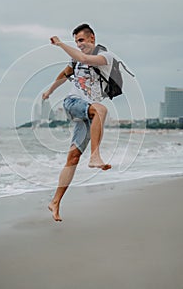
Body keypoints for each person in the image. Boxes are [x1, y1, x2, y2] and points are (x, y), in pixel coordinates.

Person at [42, 23, 112, 221]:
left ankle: (55, 202)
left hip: (89, 112)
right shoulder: (75, 62)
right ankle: (95, 156)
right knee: (101, 110)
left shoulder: (105, 57)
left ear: (92, 38)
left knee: (72, 158)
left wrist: (61, 44)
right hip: (74, 103)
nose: (79, 45)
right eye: (76, 42)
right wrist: (50, 91)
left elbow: (83, 57)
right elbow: (63, 75)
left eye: (81, 40)